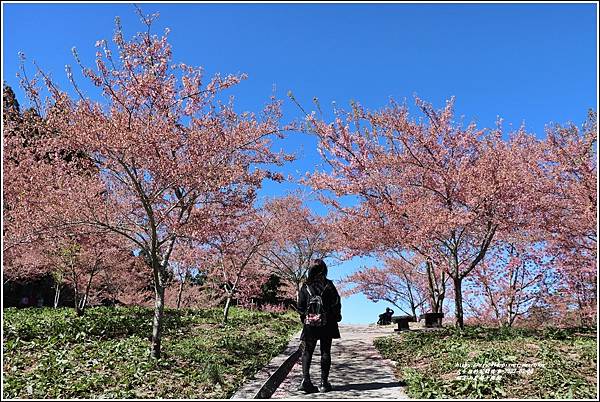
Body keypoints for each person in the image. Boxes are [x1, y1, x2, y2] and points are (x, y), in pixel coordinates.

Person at [297, 259, 342, 394]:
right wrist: (336, 316)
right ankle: (323, 383)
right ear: (324, 270)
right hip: (327, 324)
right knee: (325, 351)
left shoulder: (305, 286)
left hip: (310, 324)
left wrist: (306, 317)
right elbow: (336, 303)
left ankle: (306, 381)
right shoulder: (329, 285)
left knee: (307, 352)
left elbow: (300, 306)